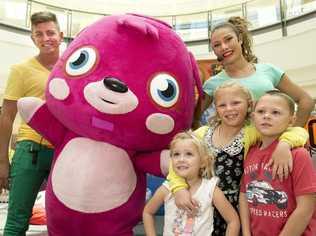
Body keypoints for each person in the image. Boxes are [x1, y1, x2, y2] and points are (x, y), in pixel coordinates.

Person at [167, 82, 308, 236]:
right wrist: (179, 188)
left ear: (249, 105)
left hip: (235, 211)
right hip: (201, 206)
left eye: (235, 103)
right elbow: (176, 162)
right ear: (216, 108)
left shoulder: (253, 131)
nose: (229, 109)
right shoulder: (201, 134)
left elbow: (297, 131)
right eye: (222, 105)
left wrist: (285, 144)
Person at [0, 11, 63, 235]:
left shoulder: (72, 69)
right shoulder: (21, 70)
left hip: (64, 153)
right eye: (39, 34)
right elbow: (6, 116)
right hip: (30, 151)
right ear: (33, 39)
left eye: (50, 33)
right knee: (17, 221)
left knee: (65, 221)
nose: (46, 38)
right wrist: (2, 162)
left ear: (61, 35)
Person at [200, 16, 314, 127]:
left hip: (270, 144)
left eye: (228, 39)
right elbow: (192, 118)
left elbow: (306, 101)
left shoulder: (269, 70)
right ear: (214, 51)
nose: (224, 47)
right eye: (217, 45)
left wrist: (291, 137)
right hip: (233, 145)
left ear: (239, 39)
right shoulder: (212, 84)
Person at [239, 90, 316, 236]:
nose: (266, 116)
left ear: (291, 120)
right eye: (261, 111)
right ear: (253, 117)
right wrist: (247, 232)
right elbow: (244, 194)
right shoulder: (250, 152)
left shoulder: (298, 154)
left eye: (276, 112)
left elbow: (306, 208)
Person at [143, 131, 240, 236]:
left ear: (203, 162)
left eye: (189, 154)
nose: (181, 159)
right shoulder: (166, 189)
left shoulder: (210, 189)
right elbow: (148, 212)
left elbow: (233, 221)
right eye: (176, 154)